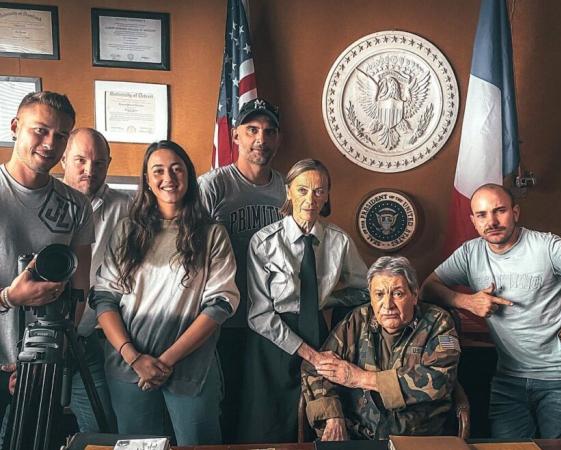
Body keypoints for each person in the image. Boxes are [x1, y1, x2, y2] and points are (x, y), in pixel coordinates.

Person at [421, 183, 561, 439]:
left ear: (516, 212)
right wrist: (466, 301)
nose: (492, 221)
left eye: (499, 211)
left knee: (553, 448)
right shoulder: (470, 253)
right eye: (482, 215)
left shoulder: (547, 247)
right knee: (508, 447)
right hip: (509, 378)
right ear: (474, 221)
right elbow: (427, 289)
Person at [90, 140, 239, 445]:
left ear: (189, 175)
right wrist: (134, 357)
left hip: (191, 370)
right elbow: (105, 298)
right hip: (130, 369)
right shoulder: (127, 231)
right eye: (158, 170)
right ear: (146, 180)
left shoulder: (212, 234)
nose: (168, 177)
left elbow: (221, 304)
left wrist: (166, 361)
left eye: (176, 169)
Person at [237, 159, 368, 443]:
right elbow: (259, 314)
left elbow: (366, 290)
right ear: (289, 192)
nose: (311, 199)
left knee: (316, 422)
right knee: (266, 426)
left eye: (320, 191)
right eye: (303, 190)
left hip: (319, 334)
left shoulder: (339, 242)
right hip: (272, 342)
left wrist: (328, 298)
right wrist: (311, 355)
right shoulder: (263, 242)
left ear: (327, 196)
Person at [0, 92, 93, 441]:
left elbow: (79, 291)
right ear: (15, 127)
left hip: (43, 362)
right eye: (40, 130)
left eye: (61, 135)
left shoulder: (77, 205)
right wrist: (10, 297)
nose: (50, 143)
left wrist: (52, 356)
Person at [198, 98, 285, 442]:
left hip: (272, 319)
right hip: (225, 319)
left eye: (269, 131)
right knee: (226, 405)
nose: (260, 139)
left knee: (263, 408)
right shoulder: (213, 185)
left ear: (278, 139)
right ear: (235, 135)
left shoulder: (286, 188)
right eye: (252, 130)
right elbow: (193, 251)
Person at [301, 256, 460, 440]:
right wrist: (333, 416)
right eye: (379, 294)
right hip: (357, 436)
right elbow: (314, 367)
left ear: (414, 294)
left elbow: (439, 379)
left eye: (398, 294)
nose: (387, 305)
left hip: (415, 438)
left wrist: (360, 378)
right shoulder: (357, 320)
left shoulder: (438, 322)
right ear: (370, 296)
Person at [61, 128, 128, 433]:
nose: (90, 170)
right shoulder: (46, 202)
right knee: (19, 427)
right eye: (81, 160)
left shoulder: (126, 208)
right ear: (63, 158)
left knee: (101, 429)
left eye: (99, 163)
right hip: (33, 342)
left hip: (87, 339)